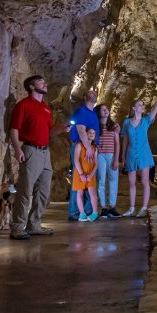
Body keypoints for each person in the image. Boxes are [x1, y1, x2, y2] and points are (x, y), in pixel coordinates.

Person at [8, 75, 71, 240]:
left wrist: (62, 129)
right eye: (41, 81)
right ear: (31, 86)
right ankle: (17, 227)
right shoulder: (23, 105)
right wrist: (17, 148)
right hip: (30, 150)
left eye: (45, 81)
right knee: (25, 190)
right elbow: (14, 129)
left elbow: (49, 132)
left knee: (43, 191)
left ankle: (34, 224)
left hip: (45, 153)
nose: (45, 83)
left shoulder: (46, 108)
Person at [121, 87, 157, 218]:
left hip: (144, 154)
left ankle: (143, 208)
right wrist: (123, 156)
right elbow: (124, 140)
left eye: (143, 104)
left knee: (144, 181)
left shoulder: (146, 121)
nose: (143, 106)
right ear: (134, 108)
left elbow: (155, 109)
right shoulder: (126, 122)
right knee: (131, 182)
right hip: (131, 154)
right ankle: (131, 208)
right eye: (140, 104)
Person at [68, 90, 100, 220]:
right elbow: (81, 130)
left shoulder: (93, 113)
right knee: (79, 180)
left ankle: (88, 211)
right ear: (85, 96)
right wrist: (88, 148)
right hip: (83, 148)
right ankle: (76, 212)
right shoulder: (82, 111)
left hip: (90, 148)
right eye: (90, 93)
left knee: (89, 181)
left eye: (95, 93)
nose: (94, 94)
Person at [95, 103, 121, 218]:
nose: (105, 111)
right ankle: (104, 207)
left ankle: (112, 206)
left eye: (106, 109)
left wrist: (116, 159)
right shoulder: (96, 126)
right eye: (102, 109)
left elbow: (117, 143)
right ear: (98, 113)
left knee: (113, 180)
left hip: (111, 155)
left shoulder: (114, 126)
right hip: (100, 155)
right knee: (101, 180)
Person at [72, 128, 100, 222]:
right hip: (80, 173)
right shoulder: (79, 145)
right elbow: (76, 160)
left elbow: (96, 164)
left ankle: (95, 212)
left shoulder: (95, 148)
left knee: (93, 193)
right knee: (80, 193)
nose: (92, 134)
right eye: (90, 133)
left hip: (90, 173)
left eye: (93, 133)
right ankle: (82, 213)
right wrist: (81, 174)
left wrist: (91, 175)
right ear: (85, 134)